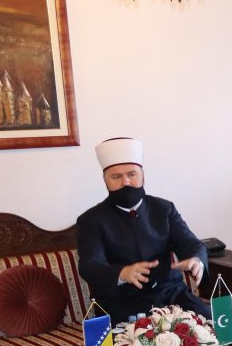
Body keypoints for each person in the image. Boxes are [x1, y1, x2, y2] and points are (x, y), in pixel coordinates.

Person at [77, 137, 210, 324]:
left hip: (171, 294)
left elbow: (190, 243)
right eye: (116, 177)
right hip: (122, 300)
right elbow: (89, 265)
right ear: (105, 180)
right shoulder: (91, 220)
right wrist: (122, 273)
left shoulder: (164, 209)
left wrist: (196, 259)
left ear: (143, 175)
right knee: (139, 337)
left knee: (209, 323)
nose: (126, 182)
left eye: (132, 174)